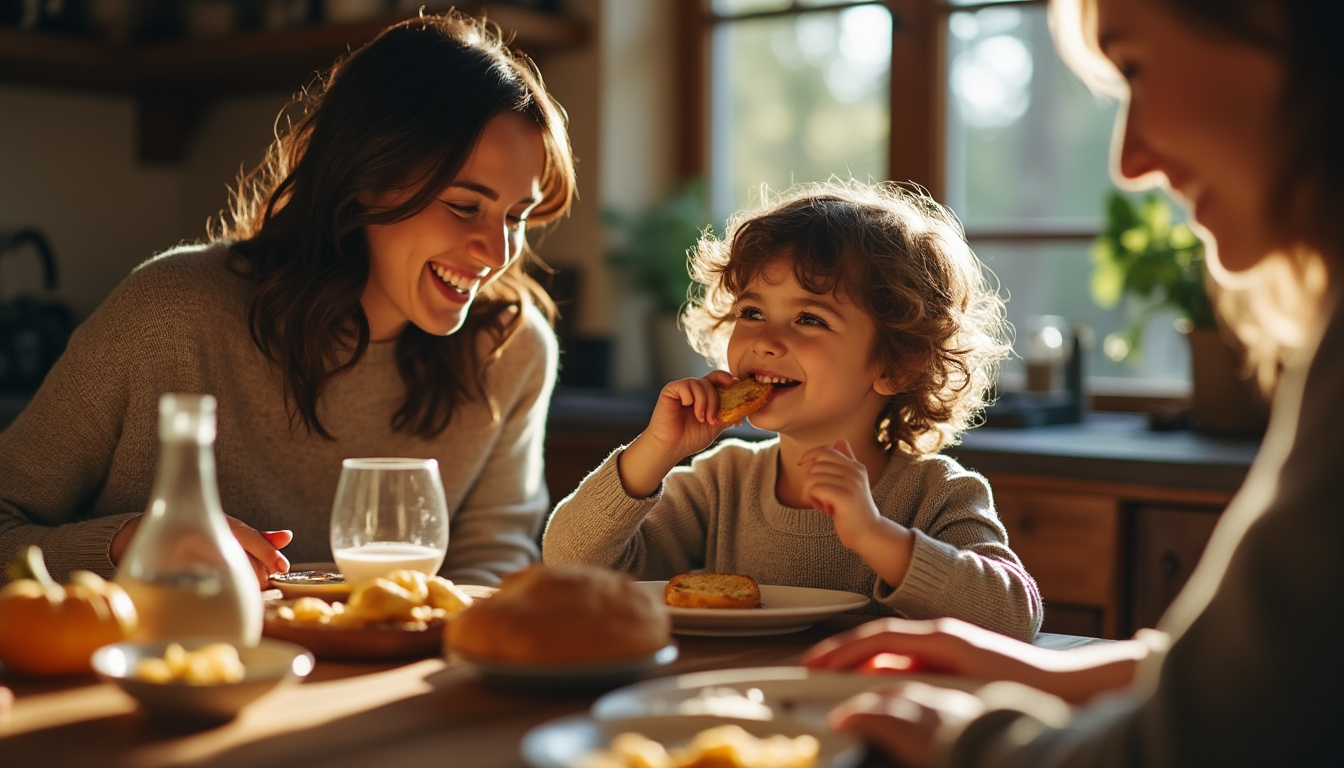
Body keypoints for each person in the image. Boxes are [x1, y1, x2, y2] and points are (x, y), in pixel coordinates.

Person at [801, 0, 1344, 765]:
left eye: (1134, 68)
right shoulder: (721, 475)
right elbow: (1274, 674)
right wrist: (1049, 674)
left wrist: (969, 743)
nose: (1129, 160)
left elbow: (1202, 741)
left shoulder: (933, 491)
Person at [0, 10, 576, 589]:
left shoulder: (510, 351)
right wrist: (131, 547)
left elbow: (493, 568)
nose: (497, 250)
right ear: (363, 178)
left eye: (516, 216)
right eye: (464, 206)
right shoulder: (170, 315)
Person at [543, 180, 1043, 641]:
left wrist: (874, 534)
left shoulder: (937, 495)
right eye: (752, 312)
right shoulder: (721, 483)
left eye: (809, 318)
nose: (765, 340)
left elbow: (1014, 616)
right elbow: (567, 567)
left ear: (897, 366)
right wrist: (655, 450)